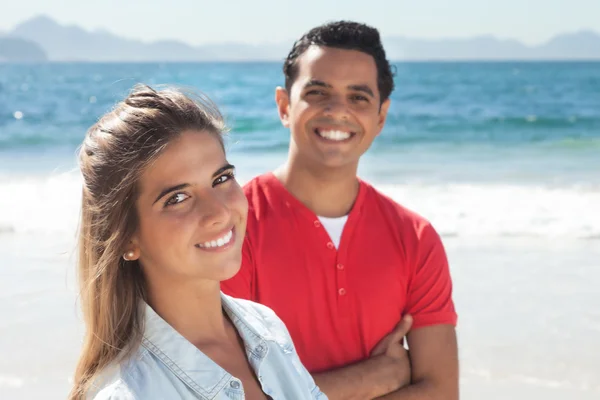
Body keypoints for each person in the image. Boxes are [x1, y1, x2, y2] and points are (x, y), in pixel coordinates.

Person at [222, 21, 459, 399]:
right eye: (318, 93)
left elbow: (441, 392)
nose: (337, 111)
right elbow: (224, 393)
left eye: (359, 97)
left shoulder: (415, 238)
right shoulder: (231, 225)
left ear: (381, 116)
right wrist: (377, 377)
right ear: (284, 105)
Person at [69, 84, 326, 400]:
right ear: (125, 239)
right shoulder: (129, 394)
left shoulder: (268, 328)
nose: (218, 212)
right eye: (177, 198)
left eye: (221, 179)